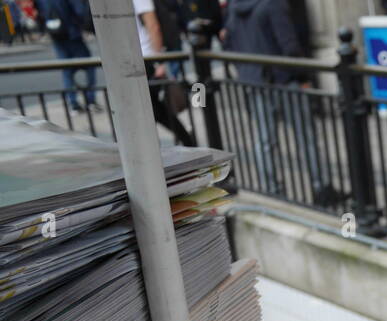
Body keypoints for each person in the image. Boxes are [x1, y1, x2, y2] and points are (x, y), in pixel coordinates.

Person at [223, 0, 341, 207]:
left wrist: (246, 71)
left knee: (265, 140)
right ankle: (321, 189)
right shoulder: (273, 4)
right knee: (306, 137)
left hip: (254, 81)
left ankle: (272, 191)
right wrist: (303, 76)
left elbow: (228, 45)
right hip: (283, 80)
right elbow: (289, 46)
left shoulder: (234, 7)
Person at [131, 0, 195, 145]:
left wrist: (158, 60)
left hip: (146, 59)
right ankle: (186, 140)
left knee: (152, 109)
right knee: (148, 110)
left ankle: (187, 140)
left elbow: (153, 26)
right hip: (140, 58)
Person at [35, 0, 100, 112]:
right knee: (88, 66)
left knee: (66, 70)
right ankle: (90, 100)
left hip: (56, 35)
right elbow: (79, 11)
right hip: (72, 33)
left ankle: (73, 103)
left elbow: (39, 13)